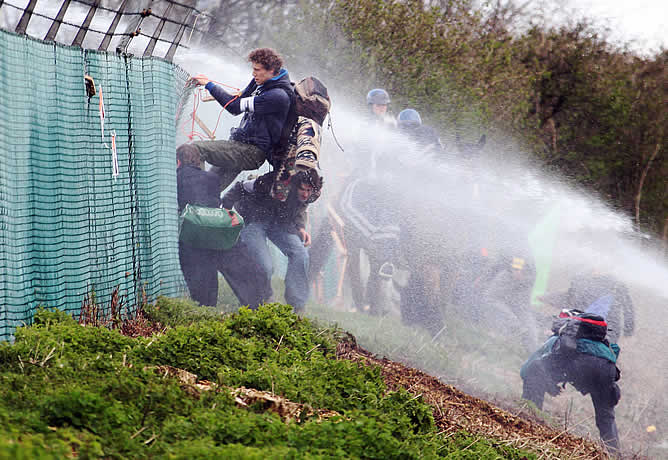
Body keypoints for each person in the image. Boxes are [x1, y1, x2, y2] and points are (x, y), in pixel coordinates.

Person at [181, 48, 294, 191]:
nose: (253, 74)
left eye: (257, 70)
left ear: (271, 70)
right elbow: (238, 101)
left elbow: (233, 107)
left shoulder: (278, 96)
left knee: (195, 149)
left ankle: (189, 193)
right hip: (238, 145)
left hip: (252, 152)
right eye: (253, 69)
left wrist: (208, 84)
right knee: (209, 190)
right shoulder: (259, 82)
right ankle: (196, 201)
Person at [222, 169, 323, 313]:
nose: (306, 194)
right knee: (265, 265)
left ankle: (298, 305)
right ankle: (263, 299)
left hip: (281, 224)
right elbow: (240, 186)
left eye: (309, 190)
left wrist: (300, 228)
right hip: (255, 219)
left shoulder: (311, 194)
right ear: (294, 185)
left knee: (301, 254)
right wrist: (225, 208)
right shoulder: (269, 182)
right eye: (303, 189)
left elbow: (300, 208)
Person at [521, 313, 622, 454]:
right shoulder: (605, 347)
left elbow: (530, 369)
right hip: (605, 370)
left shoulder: (557, 340)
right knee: (606, 417)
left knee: (533, 375)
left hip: (576, 365)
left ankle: (528, 421)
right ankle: (614, 453)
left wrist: (548, 384)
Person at [176, 144, 223, 306]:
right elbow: (216, 204)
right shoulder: (212, 178)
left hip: (189, 231)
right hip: (210, 232)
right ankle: (210, 307)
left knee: (191, 269)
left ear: (178, 161)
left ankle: (196, 304)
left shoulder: (176, 177)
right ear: (198, 161)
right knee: (209, 269)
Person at [540, 269, 634, 344]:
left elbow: (628, 308)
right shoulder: (581, 279)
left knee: (601, 356)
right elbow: (569, 297)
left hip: (606, 330)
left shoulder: (617, 285)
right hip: (580, 326)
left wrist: (628, 329)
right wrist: (549, 298)